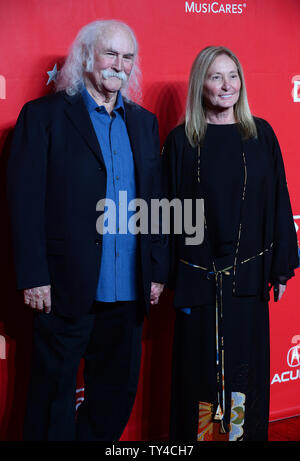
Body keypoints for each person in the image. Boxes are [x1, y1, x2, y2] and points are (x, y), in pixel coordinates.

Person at [7, 19, 167, 441]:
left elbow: (154, 200)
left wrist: (156, 268)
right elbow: (23, 204)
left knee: (115, 393)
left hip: (128, 289)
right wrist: (34, 275)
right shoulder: (43, 118)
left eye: (127, 56)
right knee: (51, 396)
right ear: (86, 58)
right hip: (63, 286)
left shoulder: (144, 123)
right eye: (110, 53)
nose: (119, 64)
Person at [162, 46, 299, 441]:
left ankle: (239, 438)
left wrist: (280, 267)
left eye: (233, 76)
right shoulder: (181, 142)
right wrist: (163, 275)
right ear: (200, 84)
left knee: (244, 374)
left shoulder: (261, 135)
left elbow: (278, 202)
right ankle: (205, 439)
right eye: (216, 77)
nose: (227, 86)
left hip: (248, 284)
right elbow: (168, 214)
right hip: (197, 285)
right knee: (201, 376)